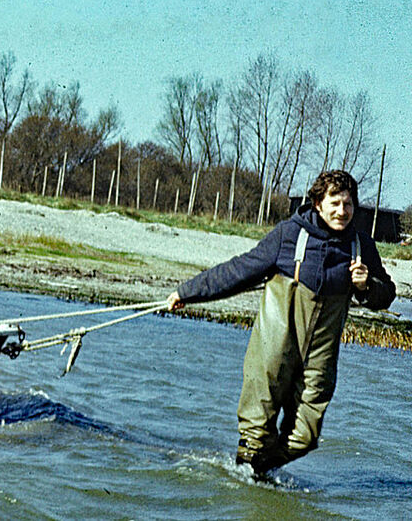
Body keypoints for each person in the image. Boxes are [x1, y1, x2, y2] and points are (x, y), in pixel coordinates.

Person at [167, 170, 395, 476]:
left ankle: (252, 474)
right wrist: (188, 293)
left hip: (319, 358)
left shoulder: (361, 246)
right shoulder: (289, 234)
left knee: (305, 438)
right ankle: (245, 485)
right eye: (335, 202)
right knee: (255, 433)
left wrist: (367, 286)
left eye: (349, 204)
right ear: (317, 203)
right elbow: (239, 271)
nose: (343, 211)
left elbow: (387, 295)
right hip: (273, 349)